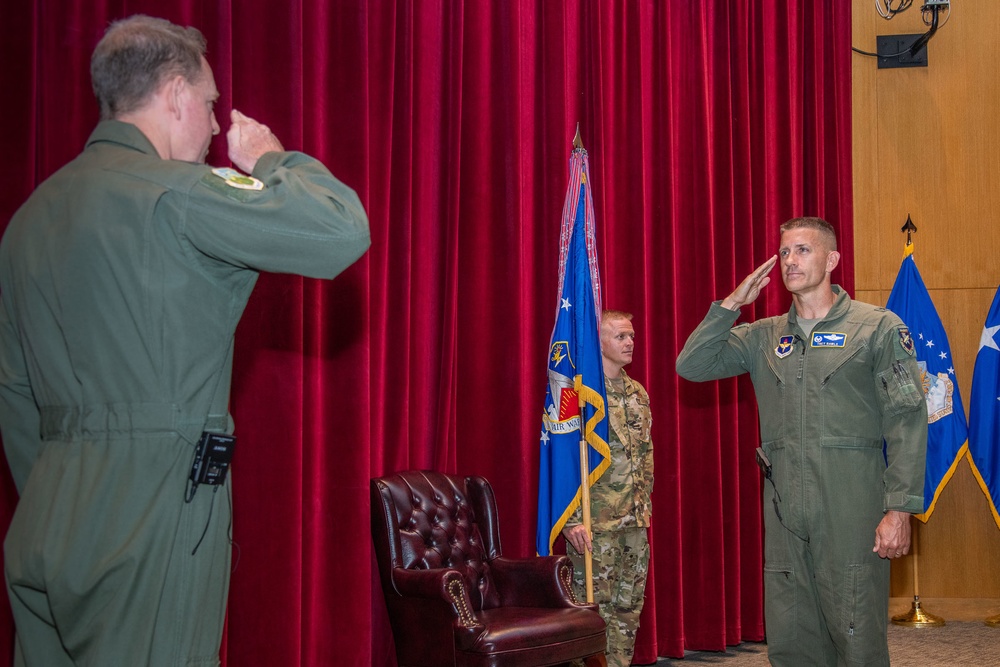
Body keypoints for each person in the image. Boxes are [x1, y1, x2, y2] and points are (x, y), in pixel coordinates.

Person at [0, 15, 370, 667]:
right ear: (174, 95)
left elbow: (15, 395)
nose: (213, 125)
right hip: (150, 516)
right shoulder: (177, 196)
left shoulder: (28, 220)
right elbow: (341, 230)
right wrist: (271, 160)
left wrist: (70, 487)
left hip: (44, 517)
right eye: (209, 104)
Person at [676, 217, 927, 666]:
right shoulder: (763, 336)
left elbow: (907, 419)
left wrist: (899, 508)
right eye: (785, 252)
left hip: (851, 507)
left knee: (857, 636)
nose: (790, 260)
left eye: (803, 250)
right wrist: (732, 304)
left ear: (831, 259)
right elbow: (692, 364)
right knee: (793, 639)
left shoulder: (877, 328)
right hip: (785, 511)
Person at [563, 310, 654, 667]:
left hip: (633, 522)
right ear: (597, 341)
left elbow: (645, 455)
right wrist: (570, 520)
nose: (629, 342)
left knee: (628, 612)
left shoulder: (637, 393)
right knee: (590, 615)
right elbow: (565, 459)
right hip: (594, 526)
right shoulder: (580, 394)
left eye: (631, 336)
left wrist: (643, 508)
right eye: (620, 336)